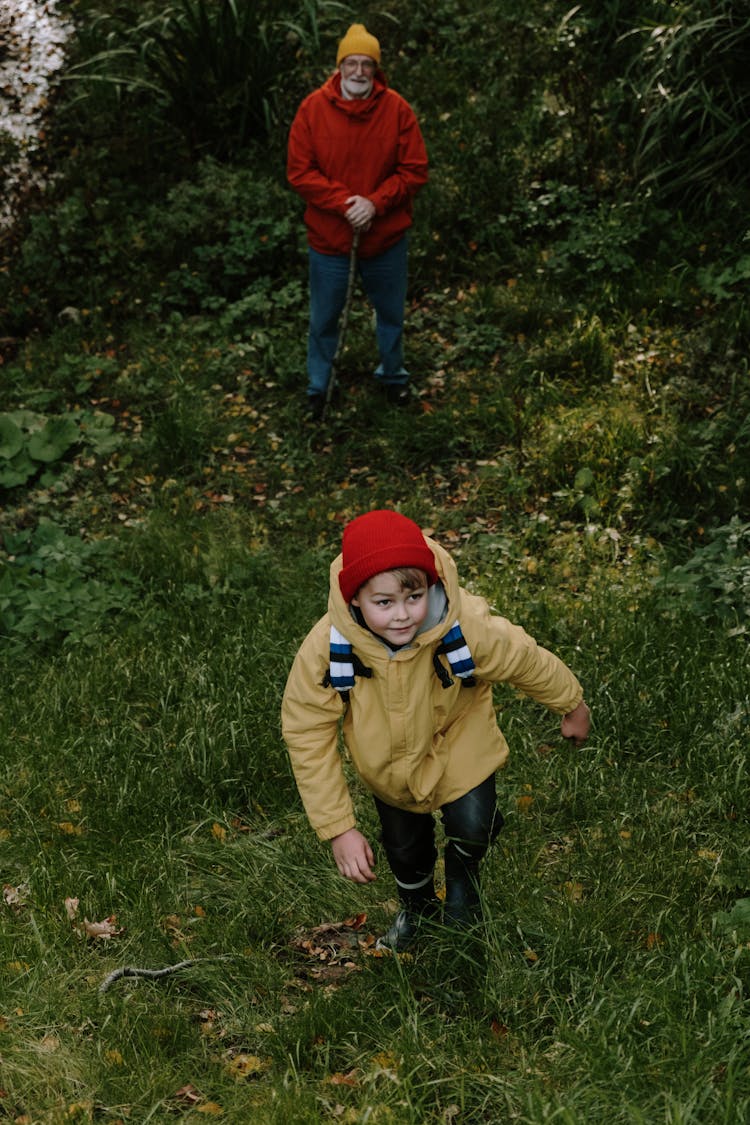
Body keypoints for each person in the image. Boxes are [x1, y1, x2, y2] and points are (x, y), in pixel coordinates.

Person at [281, 510, 591, 951]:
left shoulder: (461, 626)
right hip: (386, 764)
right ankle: (417, 909)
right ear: (354, 601)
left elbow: (523, 657)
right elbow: (305, 730)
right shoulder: (329, 649)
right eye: (383, 603)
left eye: (414, 597)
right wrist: (338, 828)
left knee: (472, 824)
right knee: (405, 849)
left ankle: (464, 880)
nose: (403, 616)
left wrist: (571, 703)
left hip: (459, 739)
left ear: (431, 586)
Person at [287, 24, 429, 420]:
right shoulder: (312, 109)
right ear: (339, 67)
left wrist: (375, 203)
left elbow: (414, 169)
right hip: (330, 240)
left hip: (385, 239)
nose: (359, 72)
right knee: (324, 318)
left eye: (367, 64)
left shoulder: (397, 109)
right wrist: (345, 204)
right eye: (351, 62)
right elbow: (300, 172)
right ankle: (320, 387)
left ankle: (393, 378)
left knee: (391, 315)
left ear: (376, 69)